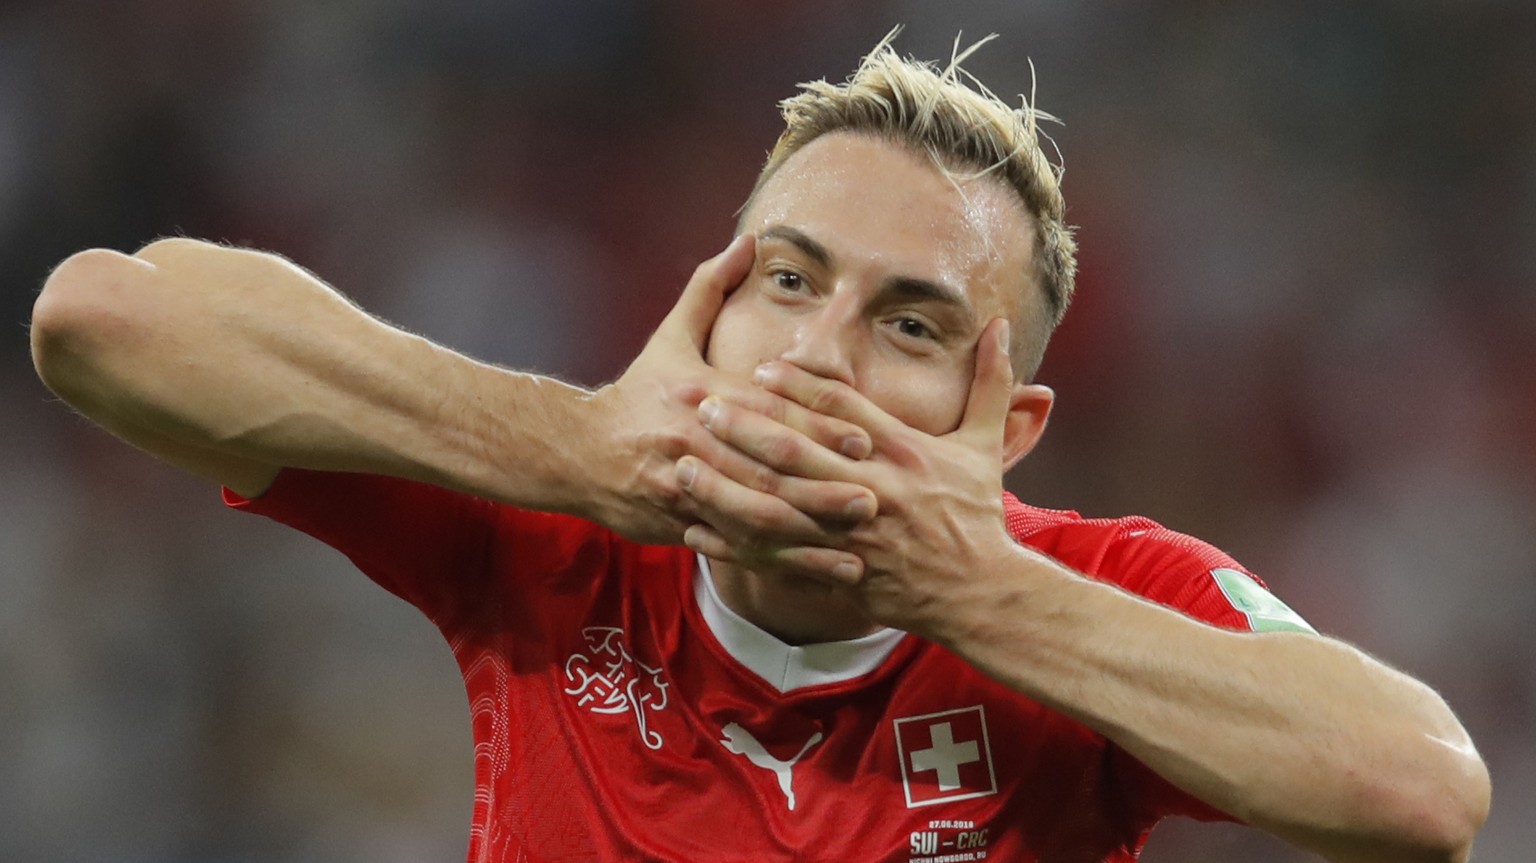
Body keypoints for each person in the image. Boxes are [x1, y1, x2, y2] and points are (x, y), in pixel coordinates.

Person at [29, 34, 1488, 863]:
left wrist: (968, 591)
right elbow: (105, 321)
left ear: (1009, 430)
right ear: (707, 312)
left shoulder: (1088, 593)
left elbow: (1423, 795)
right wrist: (576, 447)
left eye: (911, 326)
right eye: (786, 281)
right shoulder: (556, 520)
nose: (815, 353)